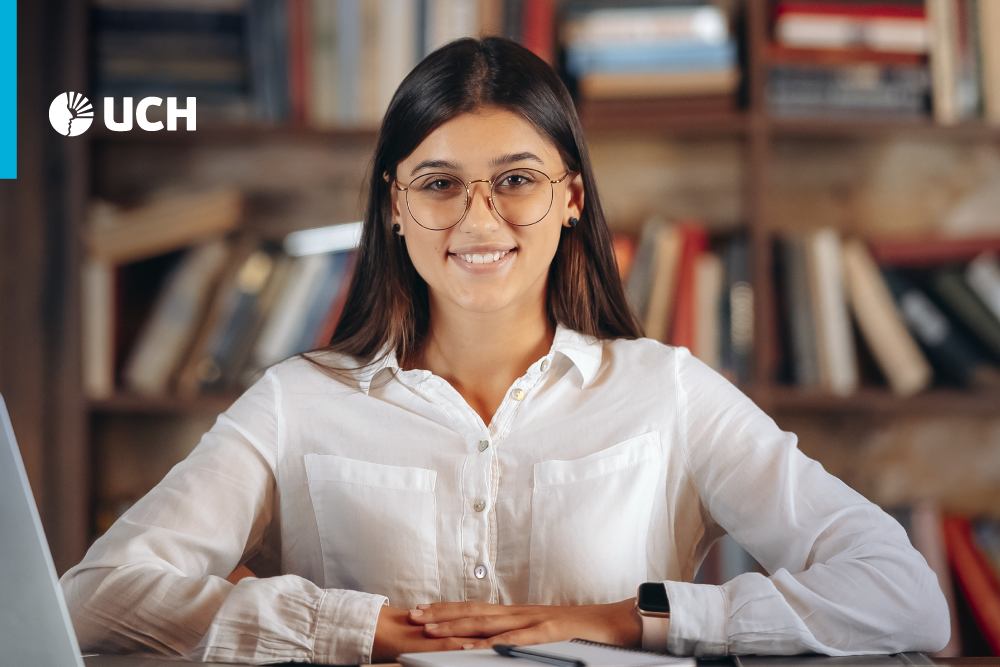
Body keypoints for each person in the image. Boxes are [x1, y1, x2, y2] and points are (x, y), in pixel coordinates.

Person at [59, 36, 950, 665]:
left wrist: (621, 619)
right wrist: (350, 627)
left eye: (516, 180)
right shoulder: (297, 400)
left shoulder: (665, 389)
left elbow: (899, 593)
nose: (478, 219)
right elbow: (91, 599)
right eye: (439, 184)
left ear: (569, 197)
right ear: (393, 206)